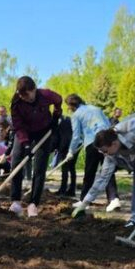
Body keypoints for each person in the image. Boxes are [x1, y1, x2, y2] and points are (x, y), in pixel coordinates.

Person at [9, 76, 63, 217]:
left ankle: (33, 204)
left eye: (26, 95)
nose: (24, 98)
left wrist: (56, 115)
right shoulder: (16, 102)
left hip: (43, 131)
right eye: (21, 95)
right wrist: (26, 144)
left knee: (40, 167)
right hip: (24, 131)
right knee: (16, 162)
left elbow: (59, 99)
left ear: (33, 90)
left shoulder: (45, 95)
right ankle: (15, 201)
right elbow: (18, 125)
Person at [63, 94, 120, 211]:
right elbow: (108, 125)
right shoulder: (96, 108)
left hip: (93, 143)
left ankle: (84, 200)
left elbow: (76, 136)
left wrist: (70, 151)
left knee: (89, 172)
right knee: (108, 170)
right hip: (107, 141)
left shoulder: (76, 115)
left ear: (71, 106)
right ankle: (114, 199)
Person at [51, 114, 77, 197]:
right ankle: (71, 190)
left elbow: (59, 136)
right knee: (72, 168)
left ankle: (63, 190)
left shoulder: (59, 121)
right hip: (74, 145)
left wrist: (58, 148)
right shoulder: (67, 119)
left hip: (67, 146)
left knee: (65, 168)